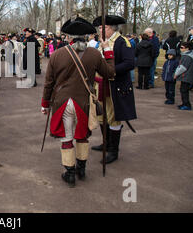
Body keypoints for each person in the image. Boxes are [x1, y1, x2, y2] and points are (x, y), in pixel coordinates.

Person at [41, 17, 115, 187]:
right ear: (86, 37)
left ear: (69, 37)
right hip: (84, 102)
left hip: (63, 102)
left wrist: (45, 104)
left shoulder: (57, 54)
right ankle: (81, 169)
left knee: (67, 137)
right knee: (82, 136)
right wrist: (108, 51)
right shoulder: (95, 54)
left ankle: (70, 173)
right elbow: (110, 73)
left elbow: (49, 83)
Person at [91, 15, 137, 164]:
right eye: (98, 28)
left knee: (114, 117)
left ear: (110, 28)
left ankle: (113, 150)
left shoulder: (122, 42)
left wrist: (110, 71)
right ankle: (106, 143)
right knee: (102, 115)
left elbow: (129, 63)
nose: (99, 30)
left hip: (115, 85)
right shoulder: (101, 43)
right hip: (100, 85)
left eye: (101, 28)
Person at [174, 42, 193, 110]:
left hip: (186, 76)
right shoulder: (186, 56)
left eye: (182, 48)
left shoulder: (187, 57)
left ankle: (187, 104)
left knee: (184, 90)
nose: (181, 49)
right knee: (183, 90)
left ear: (187, 48)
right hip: (186, 76)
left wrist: (176, 74)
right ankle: (184, 103)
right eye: (180, 47)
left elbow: (182, 67)